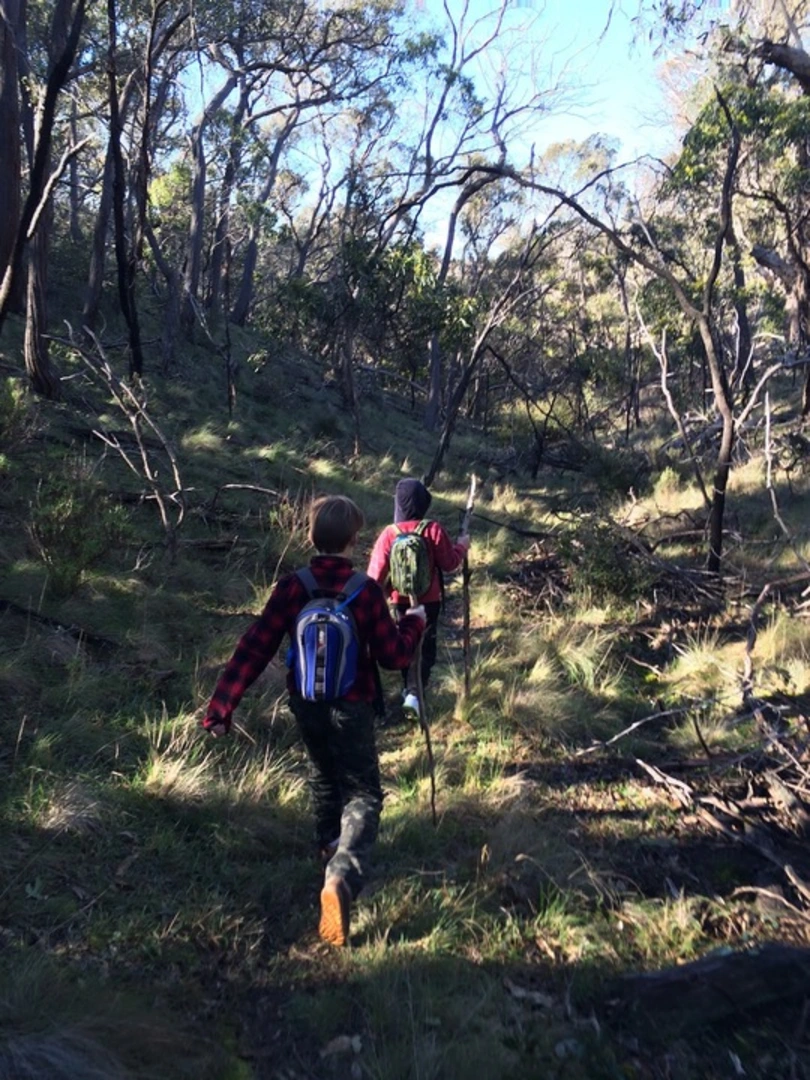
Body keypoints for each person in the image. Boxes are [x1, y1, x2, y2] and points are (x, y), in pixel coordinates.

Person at [201, 494, 426, 947]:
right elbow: (393, 656)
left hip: (305, 703)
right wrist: (414, 624)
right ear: (353, 540)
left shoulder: (292, 587)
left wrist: (221, 707)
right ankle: (341, 875)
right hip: (353, 705)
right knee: (363, 794)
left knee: (323, 777)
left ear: (311, 536)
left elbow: (255, 646)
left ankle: (328, 854)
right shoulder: (365, 590)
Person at [367, 478, 469, 719]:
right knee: (426, 647)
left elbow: (374, 577)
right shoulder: (432, 529)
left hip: (399, 601)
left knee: (406, 642)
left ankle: (409, 690)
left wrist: (382, 595)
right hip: (429, 601)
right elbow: (450, 563)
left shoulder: (389, 533)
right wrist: (462, 547)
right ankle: (415, 693)